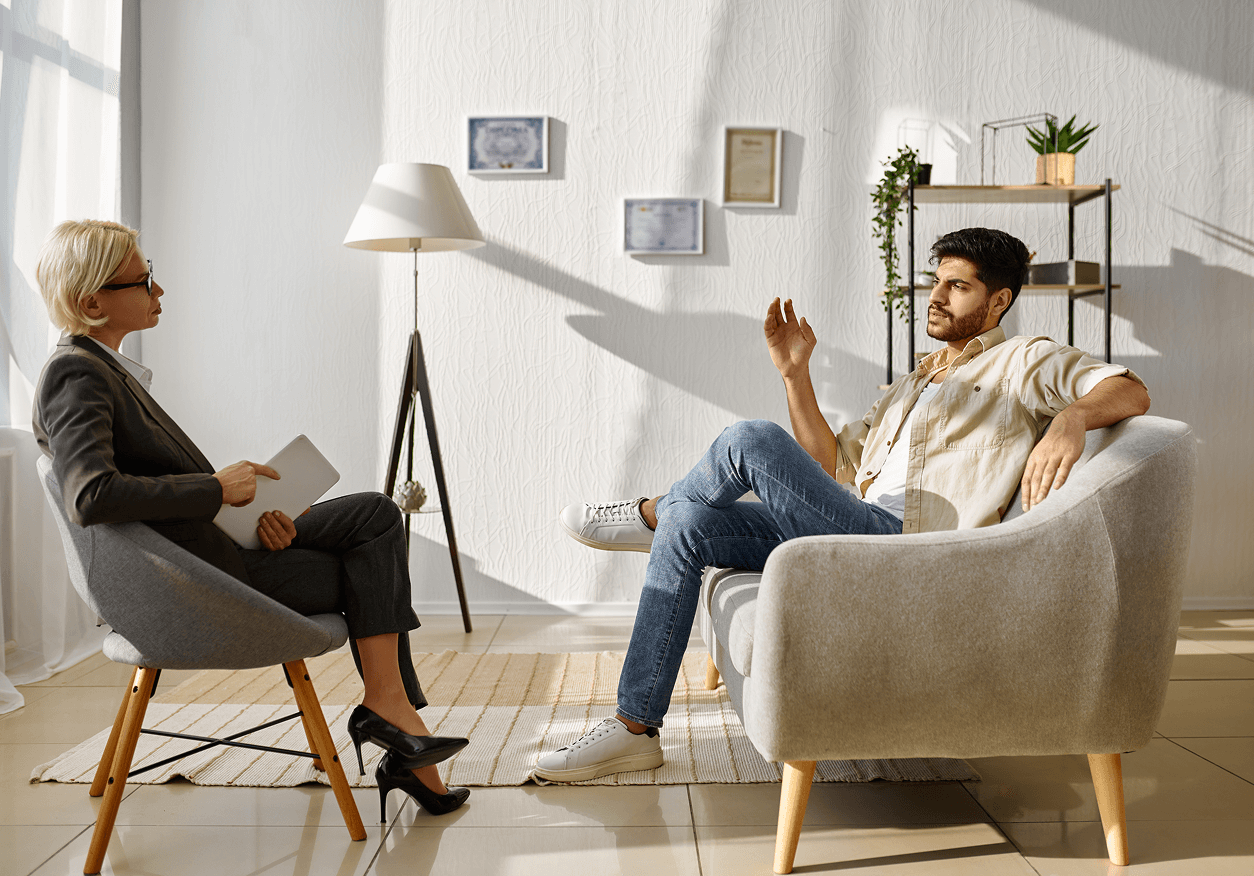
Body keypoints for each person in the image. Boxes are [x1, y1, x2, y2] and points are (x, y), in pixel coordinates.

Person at [537, 226, 1151, 782]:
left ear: (999, 301)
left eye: (957, 286)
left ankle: (650, 513)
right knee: (693, 522)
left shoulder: (1024, 361)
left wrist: (1071, 418)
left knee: (749, 440)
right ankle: (635, 727)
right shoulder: (913, 383)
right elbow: (828, 467)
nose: (936, 297)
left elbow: (1130, 389)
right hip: (859, 526)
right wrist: (794, 373)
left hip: (912, 551)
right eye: (935, 282)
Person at [32, 219, 469, 819]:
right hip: (201, 583)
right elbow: (91, 496)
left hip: (214, 553)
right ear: (91, 301)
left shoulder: (102, 371)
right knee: (371, 561)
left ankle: (392, 714)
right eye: (146, 280)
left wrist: (260, 514)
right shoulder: (75, 373)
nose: (160, 293)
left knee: (373, 517)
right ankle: (393, 717)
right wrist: (214, 488)